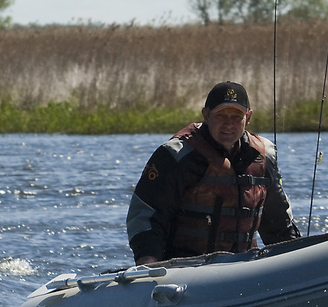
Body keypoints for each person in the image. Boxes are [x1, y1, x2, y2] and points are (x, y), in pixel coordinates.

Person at [127, 80, 300, 264]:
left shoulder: (263, 156)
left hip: (245, 268)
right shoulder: (175, 156)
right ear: (206, 115)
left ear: (248, 118)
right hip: (185, 270)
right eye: (221, 115)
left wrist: (297, 262)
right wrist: (149, 266)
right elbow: (145, 218)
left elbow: (279, 224)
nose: (229, 124)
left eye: (236, 116)